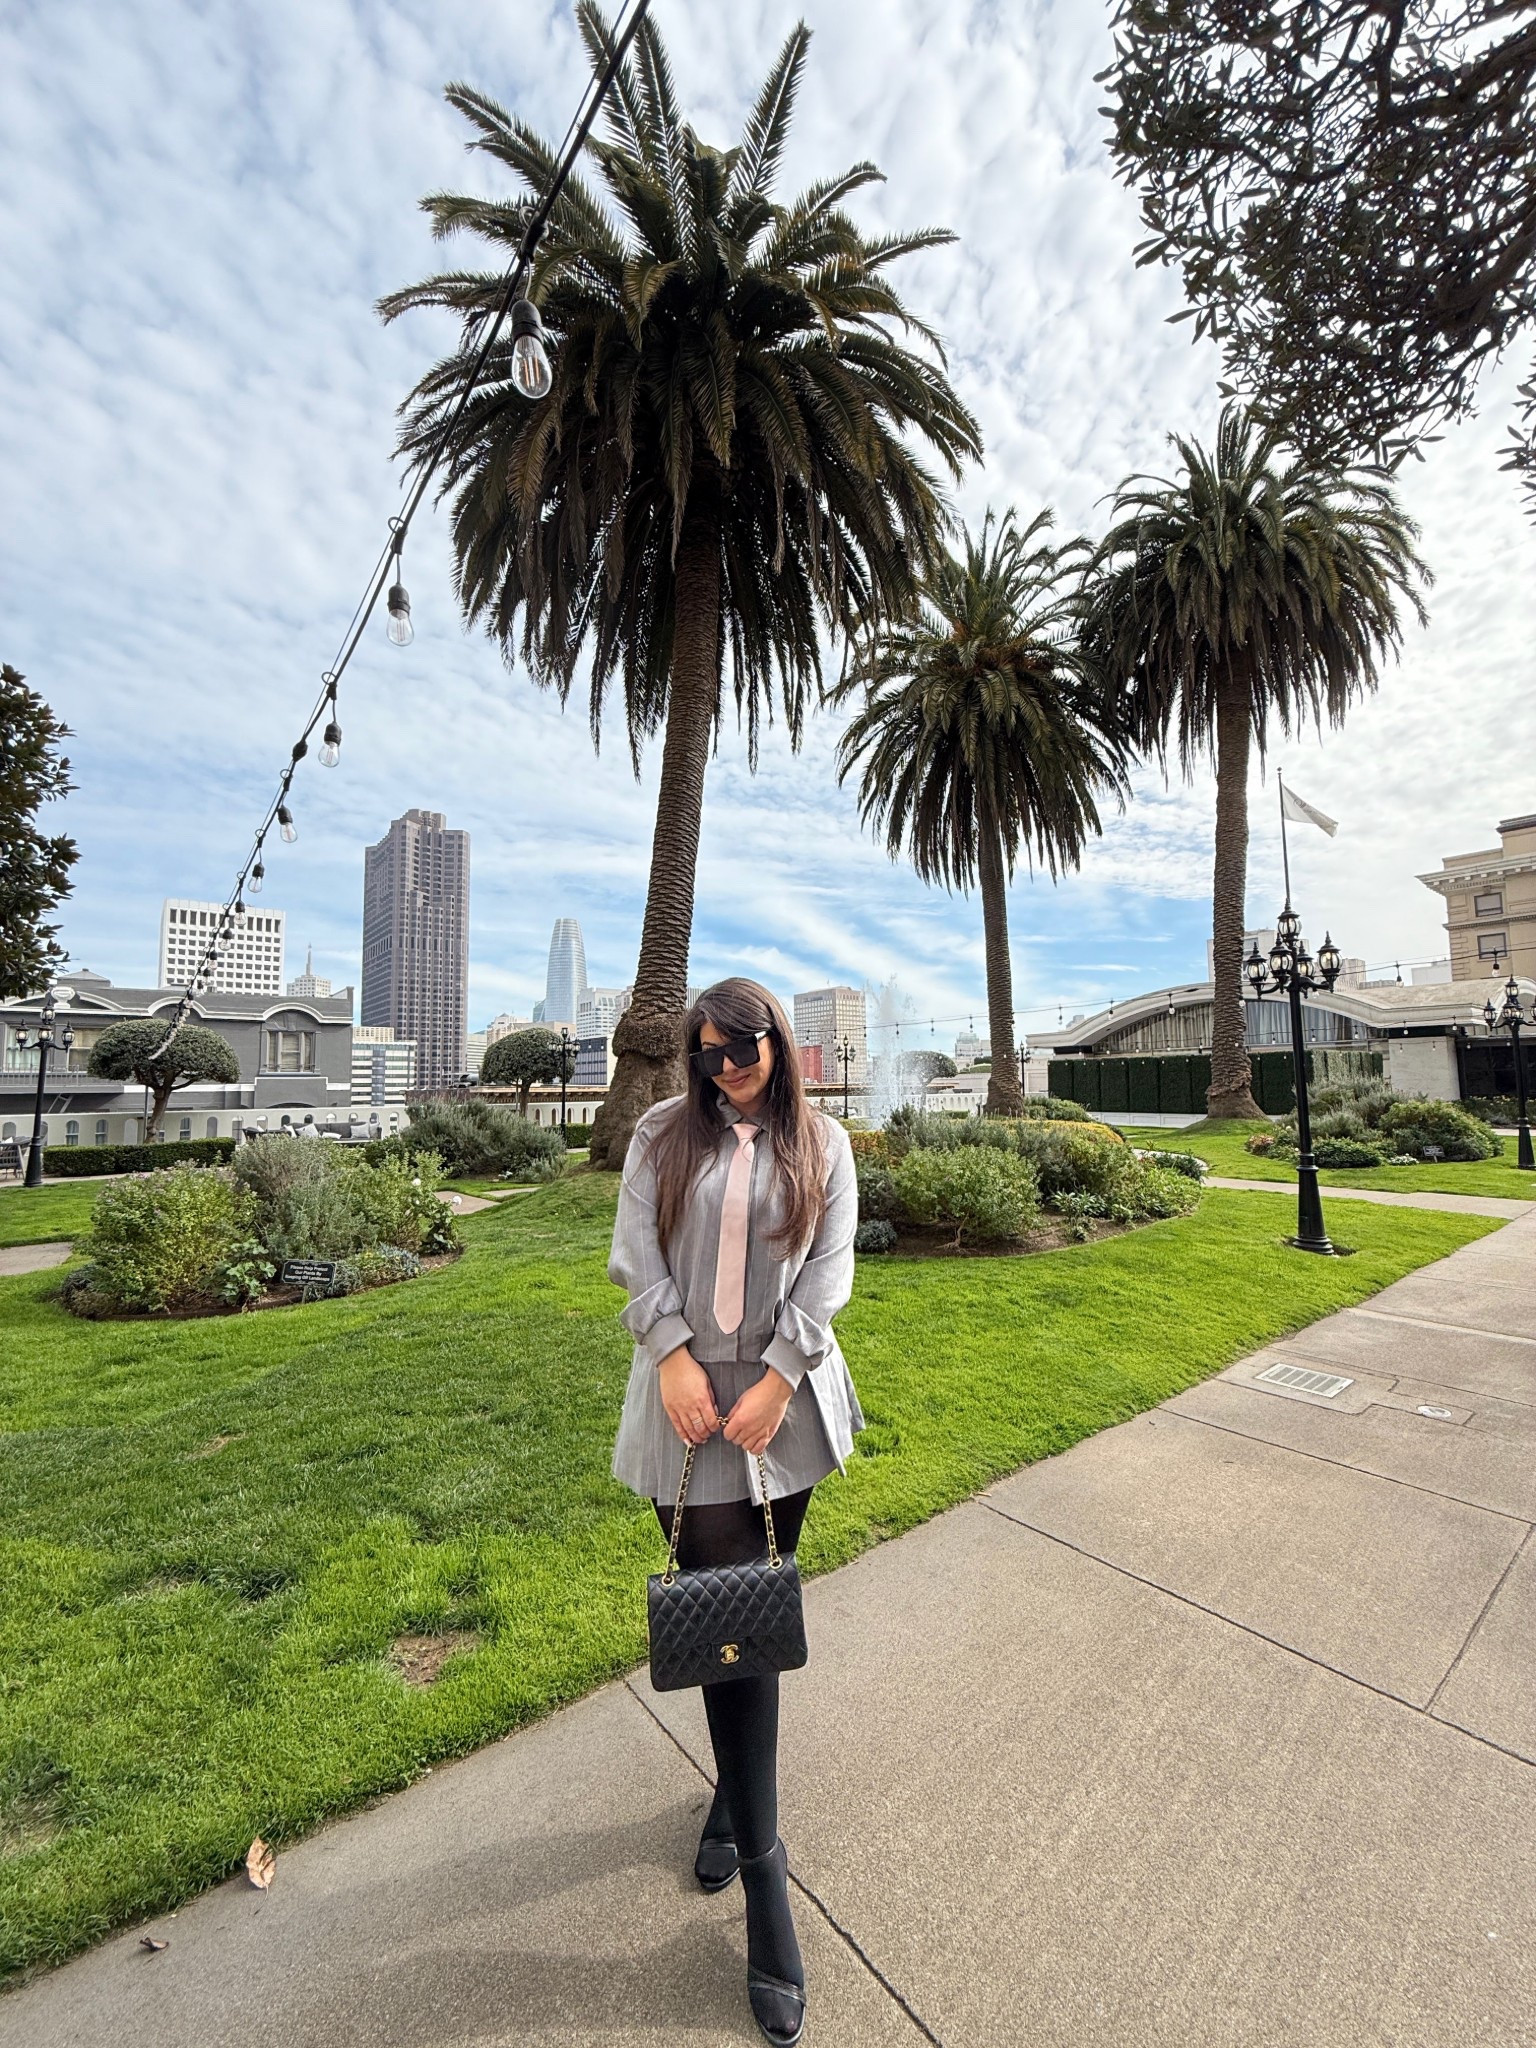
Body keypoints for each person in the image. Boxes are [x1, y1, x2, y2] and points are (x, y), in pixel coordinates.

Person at [609, 978, 861, 2048]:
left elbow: (831, 1272)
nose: (725, 1067)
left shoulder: (826, 1141)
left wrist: (778, 1378)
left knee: (748, 1622)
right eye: (707, 1052)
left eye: (742, 1047)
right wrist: (670, 1355)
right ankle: (769, 1884)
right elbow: (636, 1254)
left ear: (777, 1039)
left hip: (778, 1406)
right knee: (724, 1626)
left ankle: (739, 1812)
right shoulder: (664, 1131)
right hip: (683, 1403)